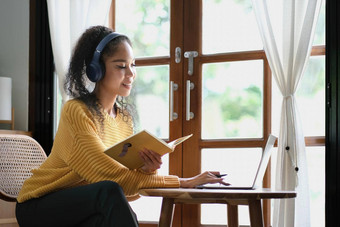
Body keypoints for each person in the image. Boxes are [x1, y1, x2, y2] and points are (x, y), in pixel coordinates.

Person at [16, 25, 227, 227]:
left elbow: (126, 189)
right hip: (38, 205)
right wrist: (183, 182)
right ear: (95, 69)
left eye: (132, 65)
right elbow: (108, 176)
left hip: (80, 209)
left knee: (115, 211)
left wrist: (146, 170)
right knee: (108, 192)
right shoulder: (76, 111)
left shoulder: (124, 119)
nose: (131, 73)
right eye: (121, 66)